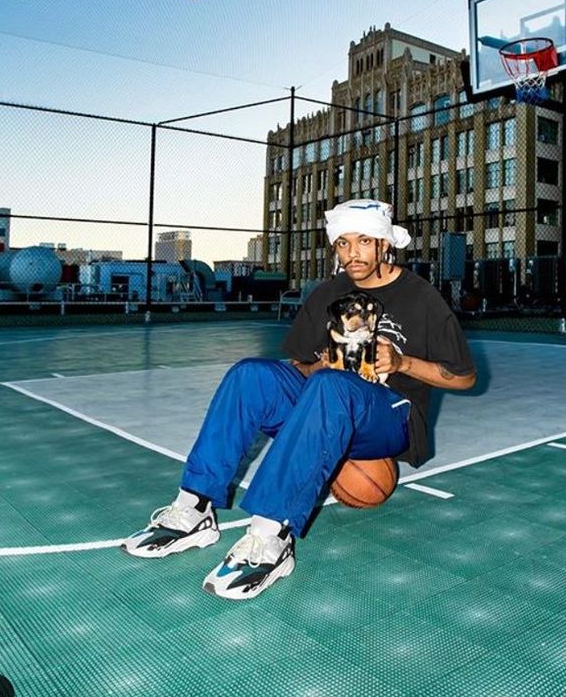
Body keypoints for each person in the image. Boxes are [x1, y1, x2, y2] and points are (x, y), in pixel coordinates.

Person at [123, 199, 476, 600]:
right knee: (251, 375)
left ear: (384, 244)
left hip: (391, 416)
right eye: (342, 243)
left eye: (363, 241)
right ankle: (194, 507)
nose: (352, 253)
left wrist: (402, 361)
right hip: (328, 404)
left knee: (330, 387)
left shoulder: (419, 297)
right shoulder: (329, 291)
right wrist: (316, 368)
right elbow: (300, 364)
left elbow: (464, 377)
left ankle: (269, 538)